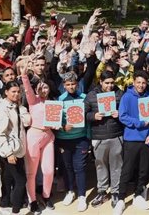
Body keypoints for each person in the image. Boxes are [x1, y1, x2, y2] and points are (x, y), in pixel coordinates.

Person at [114, 71, 149, 214]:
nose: (141, 85)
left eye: (144, 83)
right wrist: (138, 123)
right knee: (127, 170)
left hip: (146, 140)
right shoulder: (127, 96)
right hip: (131, 139)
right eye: (138, 82)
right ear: (134, 82)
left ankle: (138, 195)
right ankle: (121, 199)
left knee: (143, 170)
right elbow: (123, 116)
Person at [84, 71, 125, 209]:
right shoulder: (91, 95)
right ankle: (102, 191)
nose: (110, 85)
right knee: (100, 165)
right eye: (107, 83)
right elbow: (82, 114)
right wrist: (93, 116)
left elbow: (127, 112)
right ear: (100, 82)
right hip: (99, 137)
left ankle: (115, 191)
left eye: (112, 82)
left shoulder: (120, 93)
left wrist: (120, 114)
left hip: (116, 135)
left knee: (116, 165)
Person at [20, 71, 57, 213]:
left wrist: (56, 125)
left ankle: (46, 196)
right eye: (40, 88)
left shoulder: (53, 104)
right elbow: (27, 88)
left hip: (48, 137)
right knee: (31, 173)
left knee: (48, 171)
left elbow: (55, 122)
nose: (43, 90)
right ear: (36, 90)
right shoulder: (33, 100)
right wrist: (24, 75)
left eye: (46, 87)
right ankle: (32, 200)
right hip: (34, 136)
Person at [0, 81, 31, 215]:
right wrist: (9, 153)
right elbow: (0, 133)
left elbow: (27, 121)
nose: (16, 94)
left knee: (8, 178)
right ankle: (15, 210)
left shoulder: (19, 106)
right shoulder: (2, 108)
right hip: (10, 151)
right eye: (13, 91)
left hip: (19, 149)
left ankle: (6, 205)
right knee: (21, 180)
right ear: (6, 92)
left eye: (18, 91)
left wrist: (21, 108)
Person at [55, 72, 89, 211]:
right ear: (64, 85)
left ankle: (82, 195)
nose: (71, 87)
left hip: (81, 138)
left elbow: (89, 117)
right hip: (64, 139)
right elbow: (55, 121)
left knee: (80, 168)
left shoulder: (84, 98)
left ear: (77, 84)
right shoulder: (59, 99)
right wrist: (63, 127)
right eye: (68, 84)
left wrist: (89, 138)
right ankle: (70, 191)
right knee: (68, 167)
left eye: (73, 84)